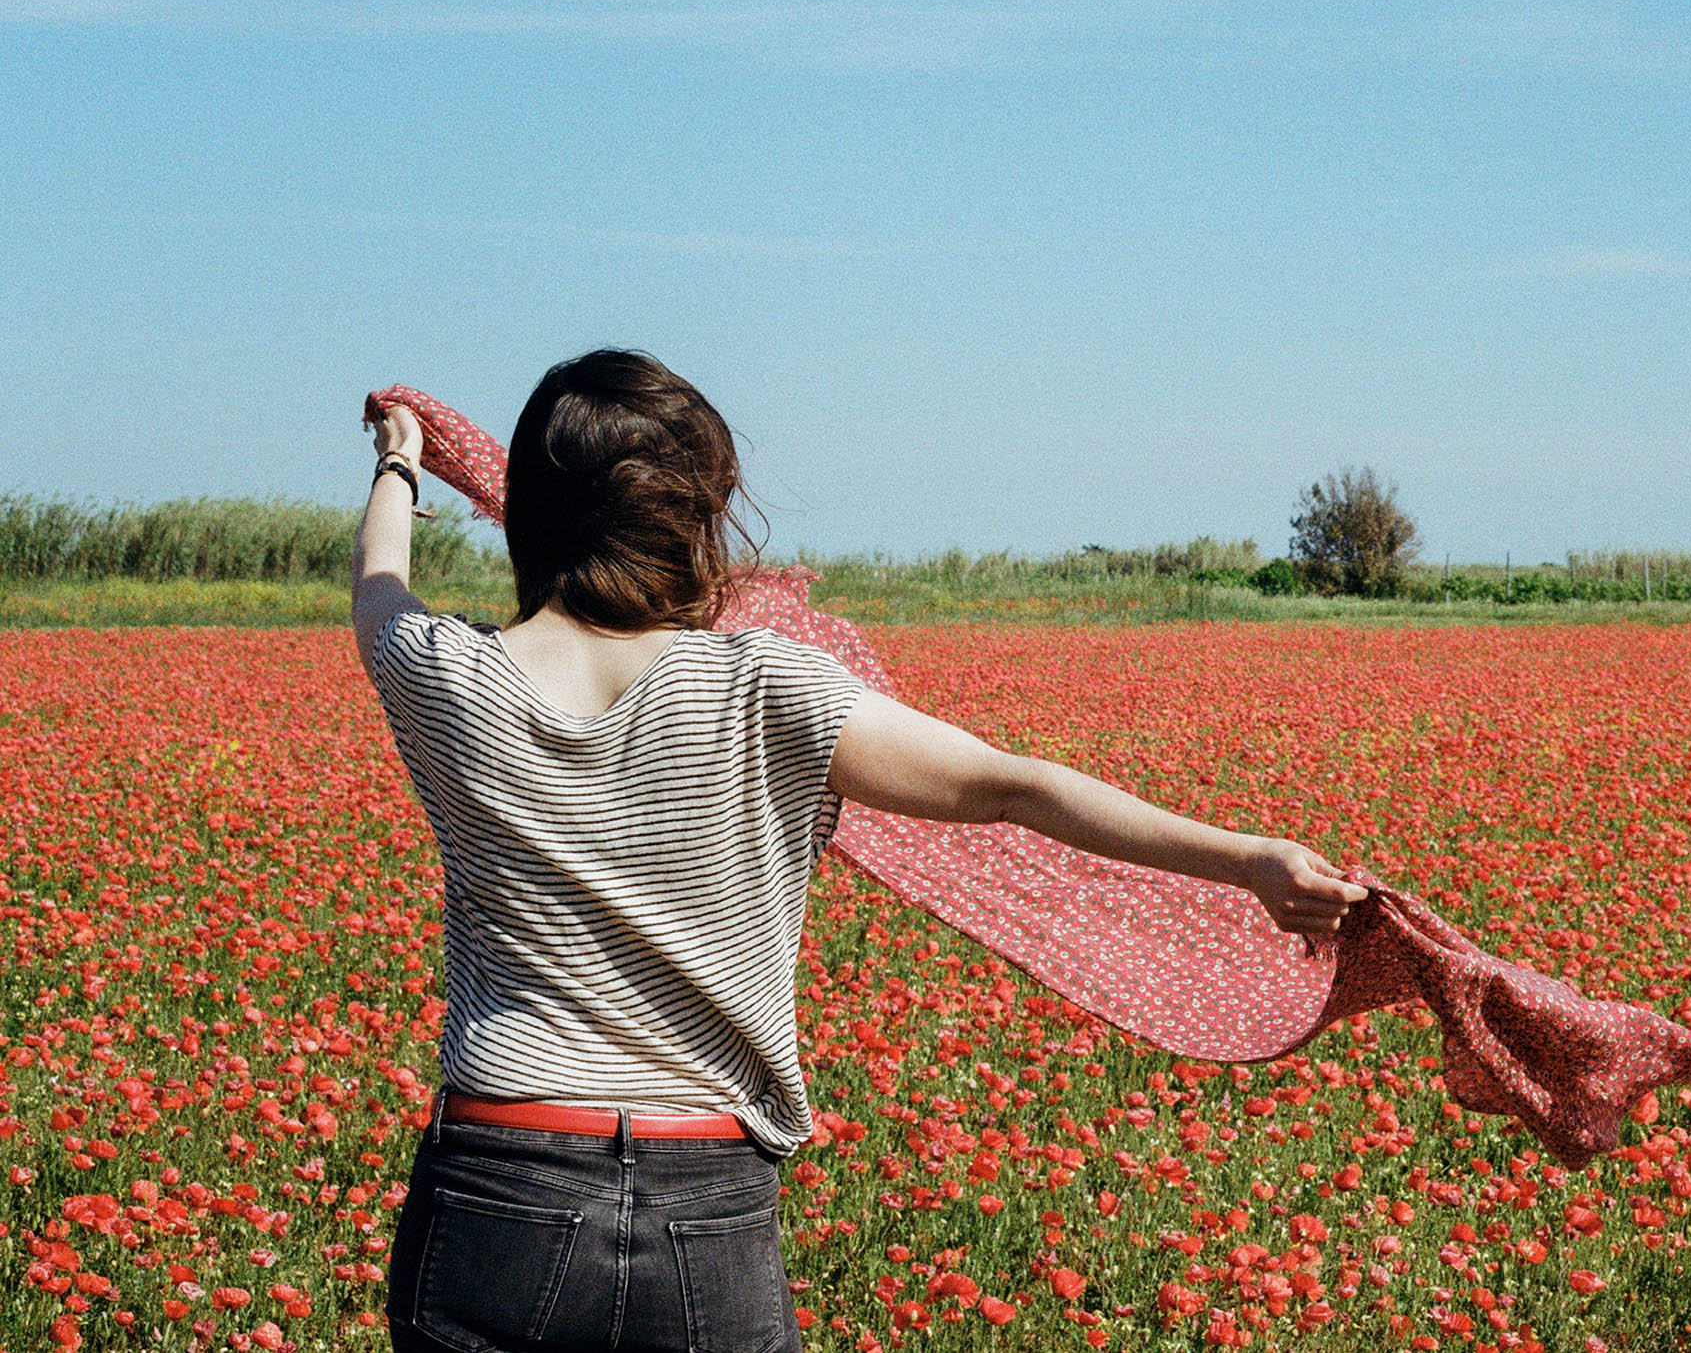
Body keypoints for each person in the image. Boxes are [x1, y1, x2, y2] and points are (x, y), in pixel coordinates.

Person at [355, 349, 1366, 1353]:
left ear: (524, 508)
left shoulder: (443, 673)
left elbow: (379, 584)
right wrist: (1246, 862)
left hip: (497, 1183)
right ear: (695, 515)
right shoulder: (771, 687)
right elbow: (1015, 785)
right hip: (703, 1196)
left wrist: (401, 461)